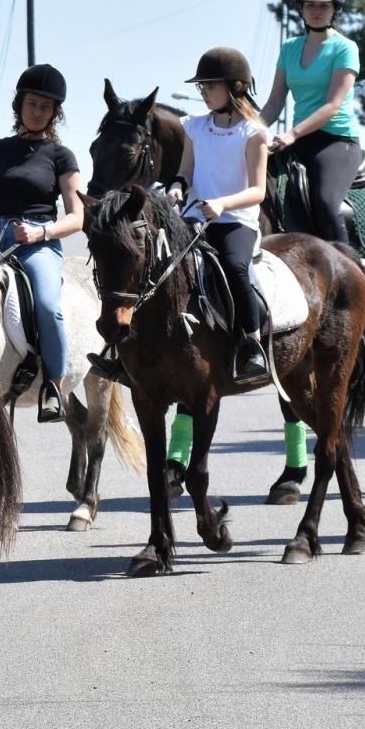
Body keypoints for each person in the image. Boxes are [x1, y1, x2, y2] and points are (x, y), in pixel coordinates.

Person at [157, 48, 271, 492]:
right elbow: (185, 172)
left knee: (236, 270)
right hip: (192, 218)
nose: (204, 93)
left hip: (234, 222)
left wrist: (222, 203)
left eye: (210, 86)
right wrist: (174, 189)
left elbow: (258, 191)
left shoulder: (254, 133)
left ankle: (251, 344)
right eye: (201, 87)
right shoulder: (194, 127)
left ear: (236, 87)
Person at [0, 64, 85, 422]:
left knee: (49, 306)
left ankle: (52, 386)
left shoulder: (61, 156)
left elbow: (76, 216)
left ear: (55, 113)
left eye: (46, 107)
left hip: (37, 242)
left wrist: (42, 233)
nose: (37, 112)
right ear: (19, 105)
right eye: (32, 104)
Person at [258, 0, 364, 244]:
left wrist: (292, 134)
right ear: (301, 9)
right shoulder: (290, 48)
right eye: (310, 5)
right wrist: (249, 131)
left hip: (336, 141)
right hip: (298, 141)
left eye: (323, 5)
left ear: (334, 9)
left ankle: (349, 265)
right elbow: (273, 103)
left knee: (325, 200)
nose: (316, 11)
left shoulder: (345, 48)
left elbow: (332, 105)